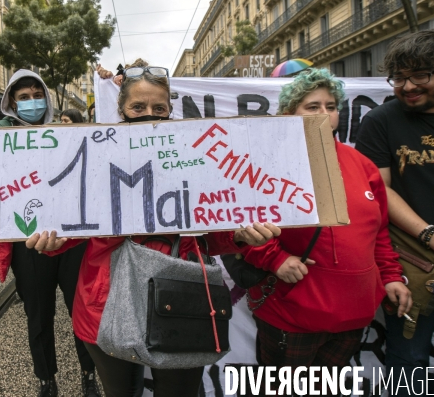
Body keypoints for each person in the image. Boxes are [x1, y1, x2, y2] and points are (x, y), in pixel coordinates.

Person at [26, 60, 282, 397]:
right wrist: (51, 241)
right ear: (122, 112)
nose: (150, 113)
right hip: (105, 301)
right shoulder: (97, 158)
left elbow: (211, 232)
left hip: (184, 298)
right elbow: (72, 223)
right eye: (138, 106)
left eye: (158, 107)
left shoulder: (195, 157)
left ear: (170, 110)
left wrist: (237, 235)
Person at [240, 68, 411, 395]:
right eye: (312, 106)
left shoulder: (363, 165)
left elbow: (379, 233)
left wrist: (390, 276)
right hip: (292, 316)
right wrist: (275, 259)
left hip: (352, 318)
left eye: (330, 106)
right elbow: (241, 229)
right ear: (290, 114)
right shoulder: (265, 164)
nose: (324, 114)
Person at [355, 28, 434, 395]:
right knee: (407, 363)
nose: (408, 86)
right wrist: (433, 236)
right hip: (412, 264)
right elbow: (378, 192)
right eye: (399, 77)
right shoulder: (380, 121)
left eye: (421, 75)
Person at [0, 69, 100, 397]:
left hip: (73, 241)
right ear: (11, 102)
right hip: (28, 244)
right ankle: (46, 380)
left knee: (82, 309)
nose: (32, 102)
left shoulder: (66, 134)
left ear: (46, 99)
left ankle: (89, 373)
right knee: (38, 314)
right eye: (23, 97)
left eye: (37, 95)